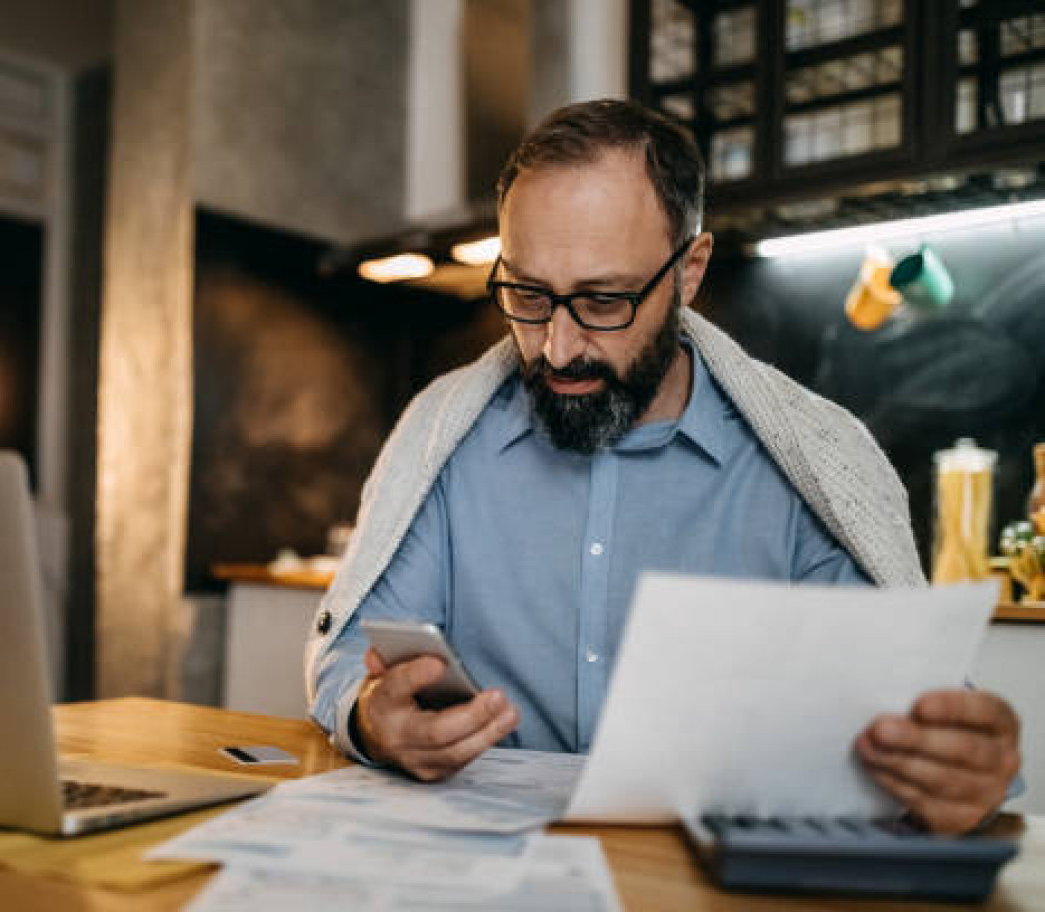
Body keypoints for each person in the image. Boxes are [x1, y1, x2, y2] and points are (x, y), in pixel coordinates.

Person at [306, 99, 1021, 836]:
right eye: (526, 294)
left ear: (689, 273)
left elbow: (910, 706)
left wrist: (959, 761)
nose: (557, 346)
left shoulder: (805, 466)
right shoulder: (444, 443)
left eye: (604, 300)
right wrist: (371, 717)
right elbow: (353, 652)